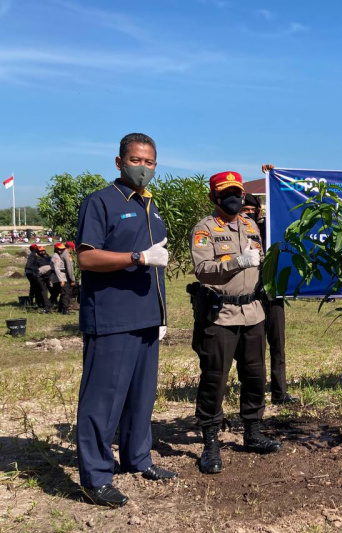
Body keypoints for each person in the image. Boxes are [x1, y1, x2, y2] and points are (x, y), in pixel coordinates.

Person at [75, 133, 176, 508]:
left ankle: (137, 458)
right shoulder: (101, 202)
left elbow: (158, 269)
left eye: (150, 162)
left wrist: (162, 315)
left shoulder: (153, 208)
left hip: (148, 319)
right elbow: (86, 259)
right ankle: (96, 478)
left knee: (140, 398)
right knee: (102, 402)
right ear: (119, 162)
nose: (143, 168)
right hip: (113, 319)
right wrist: (136, 258)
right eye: (136, 160)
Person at [189, 171, 281, 476]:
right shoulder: (205, 229)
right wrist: (236, 262)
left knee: (255, 375)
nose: (234, 198)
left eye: (238, 193)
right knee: (215, 379)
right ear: (213, 197)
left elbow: (261, 260)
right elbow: (203, 270)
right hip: (221, 315)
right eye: (227, 193)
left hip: (253, 312)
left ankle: (252, 432)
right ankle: (210, 442)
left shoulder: (250, 224)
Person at [245, 186, 298, 405]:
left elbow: (283, 212)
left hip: (272, 293)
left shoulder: (268, 227)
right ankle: (253, 392)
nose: (248, 213)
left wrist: (274, 182)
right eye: (244, 210)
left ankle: (280, 392)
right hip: (248, 296)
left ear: (259, 212)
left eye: (252, 210)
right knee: (253, 349)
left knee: (277, 344)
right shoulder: (236, 230)